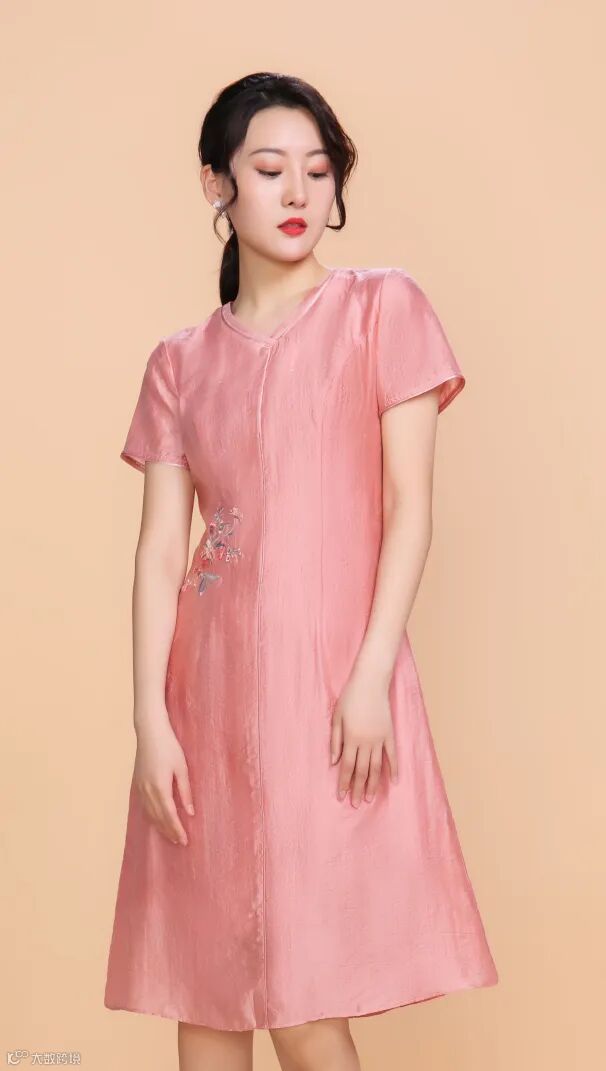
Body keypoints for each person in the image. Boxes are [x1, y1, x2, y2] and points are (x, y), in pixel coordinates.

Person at [104, 72, 498, 1071]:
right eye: (270, 169)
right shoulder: (179, 362)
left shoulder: (381, 308)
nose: (297, 194)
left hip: (328, 690)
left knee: (305, 993)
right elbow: (160, 551)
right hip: (205, 695)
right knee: (204, 989)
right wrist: (150, 719)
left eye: (318, 173)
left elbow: (409, 508)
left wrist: (371, 677)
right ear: (217, 184)